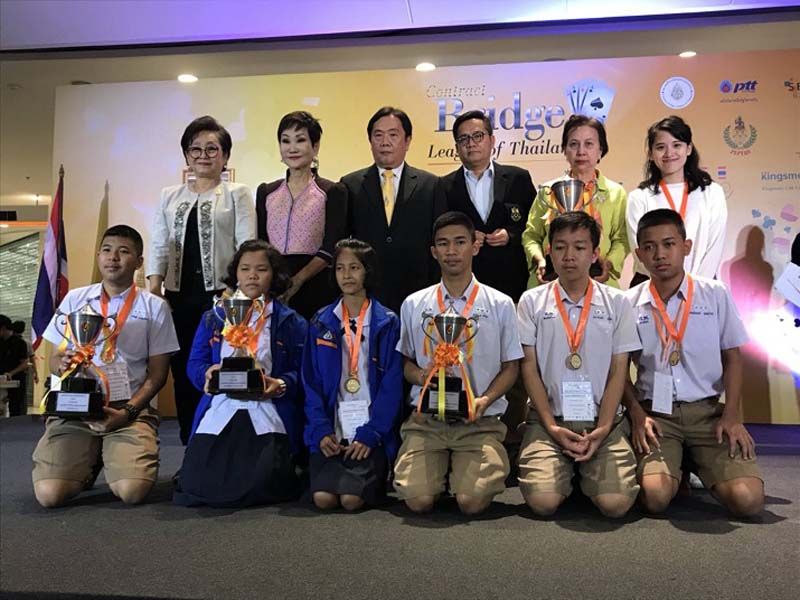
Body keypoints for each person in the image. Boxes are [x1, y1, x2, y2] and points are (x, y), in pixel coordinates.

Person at [624, 208, 764, 517]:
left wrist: (732, 416)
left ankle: (696, 460)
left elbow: (733, 357)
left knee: (749, 501)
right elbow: (619, 370)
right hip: (657, 416)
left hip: (708, 415)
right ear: (639, 254)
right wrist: (636, 413)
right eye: (649, 247)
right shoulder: (629, 302)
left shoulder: (714, 294)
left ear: (686, 247)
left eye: (669, 244)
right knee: (655, 497)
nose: (660, 254)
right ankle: (680, 464)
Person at [32, 225, 179, 507]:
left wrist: (128, 412)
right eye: (107, 250)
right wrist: (61, 364)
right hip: (75, 408)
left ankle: (114, 450)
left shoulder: (154, 306)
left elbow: (158, 375)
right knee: (50, 495)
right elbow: (53, 360)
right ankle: (90, 457)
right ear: (99, 255)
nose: (113, 258)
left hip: (127, 409)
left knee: (131, 491)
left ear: (139, 262)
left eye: (124, 252)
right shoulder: (76, 299)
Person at [394, 211, 523, 515]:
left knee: (471, 502)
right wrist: (422, 376)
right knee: (418, 501)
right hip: (427, 421)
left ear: (475, 246)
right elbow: (405, 362)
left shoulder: (500, 304)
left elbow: (511, 367)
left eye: (460, 242)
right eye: (443, 244)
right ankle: (438, 471)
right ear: (433, 251)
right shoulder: (414, 304)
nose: (451, 251)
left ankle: (462, 470)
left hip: (479, 421)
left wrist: (485, 400)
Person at [516, 211, 641, 517]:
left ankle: (586, 474)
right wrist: (551, 426)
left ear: (595, 253)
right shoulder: (531, 301)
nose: (569, 256)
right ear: (549, 251)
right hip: (549, 421)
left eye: (579, 247)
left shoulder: (618, 302)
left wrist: (604, 427)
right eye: (560, 247)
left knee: (615, 505)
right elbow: (529, 368)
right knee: (543, 503)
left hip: (603, 421)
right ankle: (567, 473)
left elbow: (619, 370)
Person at [147, 115, 256, 445]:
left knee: (222, 369)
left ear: (225, 156)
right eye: (195, 149)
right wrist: (154, 287)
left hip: (223, 299)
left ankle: (220, 445)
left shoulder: (237, 193)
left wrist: (235, 292)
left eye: (212, 149)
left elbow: (247, 245)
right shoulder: (169, 195)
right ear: (186, 155)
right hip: (178, 299)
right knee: (183, 372)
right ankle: (190, 445)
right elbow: (159, 242)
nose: (203, 155)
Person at [174, 240, 307, 507]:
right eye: (245, 269)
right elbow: (195, 362)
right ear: (235, 273)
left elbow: (304, 371)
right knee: (196, 482)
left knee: (263, 480)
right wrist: (208, 374)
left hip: (267, 404)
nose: (252, 275)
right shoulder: (214, 317)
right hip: (221, 403)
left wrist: (281, 383)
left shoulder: (291, 321)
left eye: (261, 269)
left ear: (274, 275)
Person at [303, 239, 403, 511]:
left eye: (354, 267)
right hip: (332, 428)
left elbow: (392, 385)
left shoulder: (388, 322)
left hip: (370, 429)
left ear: (367, 271)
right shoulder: (321, 321)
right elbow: (310, 381)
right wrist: (320, 429)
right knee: (323, 499)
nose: (346, 275)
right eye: (340, 268)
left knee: (350, 500)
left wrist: (373, 432)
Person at [329, 106, 447, 313]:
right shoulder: (350, 184)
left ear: (407, 141)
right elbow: (341, 244)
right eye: (378, 135)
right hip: (367, 293)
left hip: (419, 292)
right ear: (370, 141)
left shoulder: (431, 184)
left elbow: (438, 240)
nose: (385, 142)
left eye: (393, 135)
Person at [522, 114, 629, 288]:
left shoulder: (616, 193)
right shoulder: (547, 191)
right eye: (573, 144)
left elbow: (622, 239)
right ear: (564, 150)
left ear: (600, 150)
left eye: (589, 144)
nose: (581, 151)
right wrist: (539, 260)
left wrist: (608, 264)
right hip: (550, 281)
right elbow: (531, 236)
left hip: (600, 281)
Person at [441, 110, 536, 303]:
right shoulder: (444, 186)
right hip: (464, 288)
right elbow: (439, 232)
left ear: (492, 141)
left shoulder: (518, 178)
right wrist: (465, 236)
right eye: (463, 139)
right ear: (457, 147)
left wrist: (510, 235)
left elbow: (534, 228)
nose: (471, 143)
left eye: (478, 136)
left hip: (513, 285)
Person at [256, 111, 341, 319]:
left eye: (300, 140)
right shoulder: (267, 191)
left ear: (315, 146)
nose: (292, 148)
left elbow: (331, 246)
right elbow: (261, 242)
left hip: (317, 284)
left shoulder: (332, 191)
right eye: (285, 141)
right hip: (274, 284)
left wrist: (298, 280)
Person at [627, 116, 728, 285]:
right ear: (651, 154)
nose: (669, 153)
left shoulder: (712, 192)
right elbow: (641, 252)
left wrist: (692, 287)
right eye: (660, 147)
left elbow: (714, 248)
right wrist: (668, 288)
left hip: (702, 286)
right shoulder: (639, 197)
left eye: (677, 145)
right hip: (653, 287)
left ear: (689, 149)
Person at [0, 315, 29, 417]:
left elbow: (24, 363)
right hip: (1, 381)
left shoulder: (20, 343)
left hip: (16, 380)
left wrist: (11, 373)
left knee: (15, 409)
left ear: (3, 328)